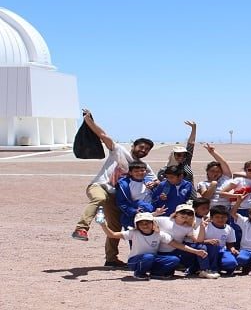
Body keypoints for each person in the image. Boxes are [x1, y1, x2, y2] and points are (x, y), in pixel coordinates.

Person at [72, 109, 156, 268]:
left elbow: (156, 179)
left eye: (146, 149)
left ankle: (111, 259)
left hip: (115, 197)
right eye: (141, 147)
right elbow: (103, 136)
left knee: (115, 227)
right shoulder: (119, 150)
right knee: (99, 198)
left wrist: (155, 183)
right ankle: (81, 229)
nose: (143, 151)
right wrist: (89, 121)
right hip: (99, 186)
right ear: (134, 145)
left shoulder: (143, 167)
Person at [99, 212, 207, 280]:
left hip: (151, 259)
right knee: (148, 256)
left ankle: (156, 274)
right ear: (137, 225)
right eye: (141, 223)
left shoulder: (159, 234)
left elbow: (178, 245)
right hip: (135, 261)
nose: (145, 225)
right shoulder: (133, 233)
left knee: (174, 260)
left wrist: (196, 252)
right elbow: (111, 235)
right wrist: (103, 224)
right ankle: (139, 273)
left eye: (147, 222)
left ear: (153, 223)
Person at [155, 204, 218, 279]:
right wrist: (155, 213)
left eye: (189, 213)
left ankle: (204, 270)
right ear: (176, 213)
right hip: (159, 252)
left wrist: (202, 227)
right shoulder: (163, 220)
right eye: (183, 212)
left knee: (201, 247)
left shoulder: (188, 227)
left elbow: (198, 240)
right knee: (172, 264)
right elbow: (143, 219)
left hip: (176, 250)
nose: (186, 215)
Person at [196, 205, 238, 275]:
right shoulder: (205, 226)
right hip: (208, 251)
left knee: (231, 263)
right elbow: (196, 240)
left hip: (222, 251)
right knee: (212, 247)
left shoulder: (229, 229)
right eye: (217, 217)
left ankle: (218, 266)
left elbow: (230, 244)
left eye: (223, 217)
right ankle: (208, 269)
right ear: (211, 217)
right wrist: (208, 241)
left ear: (227, 218)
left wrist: (233, 249)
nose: (220, 219)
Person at [116, 161, 158, 230]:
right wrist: (134, 211)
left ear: (146, 171)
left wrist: (156, 185)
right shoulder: (124, 185)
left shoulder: (149, 182)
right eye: (136, 171)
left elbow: (156, 197)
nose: (139, 173)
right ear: (130, 173)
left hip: (150, 214)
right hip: (134, 215)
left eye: (142, 170)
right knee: (134, 238)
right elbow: (121, 202)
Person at [197, 143, 233, 211]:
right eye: (212, 171)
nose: (215, 173)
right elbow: (206, 197)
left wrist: (213, 152)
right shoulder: (202, 184)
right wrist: (213, 184)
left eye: (218, 171)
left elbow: (223, 163)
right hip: (212, 211)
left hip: (227, 210)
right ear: (207, 171)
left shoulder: (225, 179)